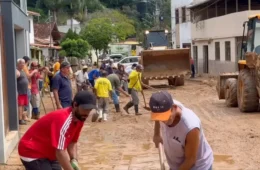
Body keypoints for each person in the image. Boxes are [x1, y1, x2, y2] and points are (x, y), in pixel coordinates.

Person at [18, 91, 97, 170]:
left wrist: (74, 160)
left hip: (49, 153)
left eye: (90, 110)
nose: (87, 113)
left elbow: (73, 142)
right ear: (75, 105)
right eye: (85, 109)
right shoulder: (63, 119)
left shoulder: (80, 119)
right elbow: (60, 152)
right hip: (31, 151)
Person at [150, 91, 213, 170]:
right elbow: (157, 116)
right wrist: (156, 134)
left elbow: (190, 160)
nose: (163, 121)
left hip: (197, 166)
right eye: (160, 118)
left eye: (165, 117)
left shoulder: (190, 128)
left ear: (174, 108)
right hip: (177, 164)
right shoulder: (164, 105)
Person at [16, 59, 30, 125]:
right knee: (20, 106)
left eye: (23, 63)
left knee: (23, 106)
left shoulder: (22, 71)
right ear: (18, 64)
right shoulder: (17, 71)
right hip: (20, 92)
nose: (23, 64)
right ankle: (20, 119)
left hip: (24, 92)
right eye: (21, 63)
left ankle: (22, 118)